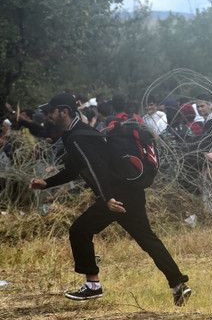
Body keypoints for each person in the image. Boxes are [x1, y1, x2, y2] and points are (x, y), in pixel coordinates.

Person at [28, 93, 191, 306]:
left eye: (51, 111)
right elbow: (75, 169)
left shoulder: (78, 137)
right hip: (129, 191)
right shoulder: (76, 134)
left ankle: (93, 286)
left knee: (79, 231)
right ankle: (178, 284)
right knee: (147, 239)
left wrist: (107, 198)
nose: (47, 115)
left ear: (64, 112)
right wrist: (46, 183)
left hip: (116, 195)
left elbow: (97, 167)